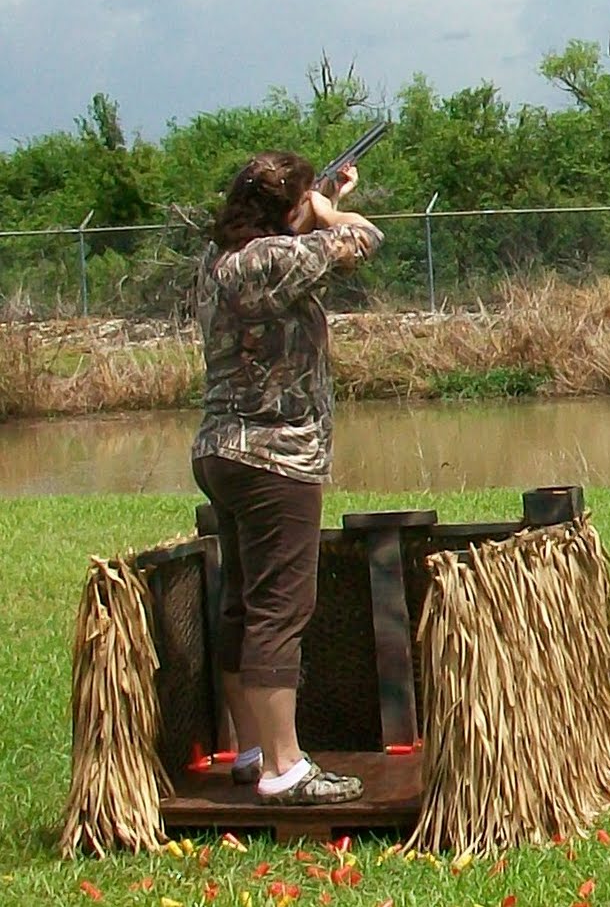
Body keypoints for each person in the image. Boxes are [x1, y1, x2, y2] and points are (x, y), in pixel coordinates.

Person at [191, 150, 383, 805]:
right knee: (281, 608)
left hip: (222, 451)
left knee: (243, 603)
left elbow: (295, 264)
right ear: (286, 211)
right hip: (277, 458)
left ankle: (251, 751)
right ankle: (285, 768)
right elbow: (362, 239)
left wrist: (313, 197)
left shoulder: (222, 263)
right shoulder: (272, 260)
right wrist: (329, 209)